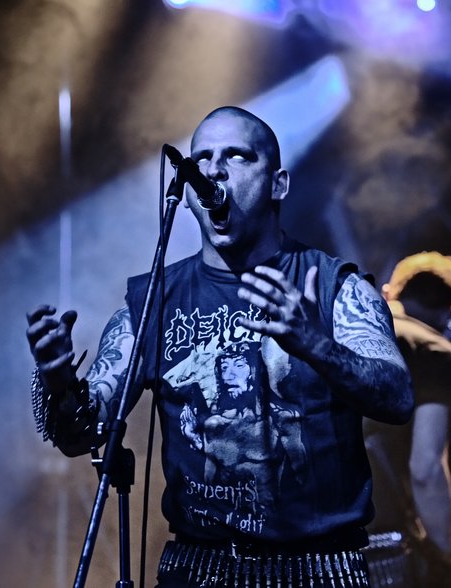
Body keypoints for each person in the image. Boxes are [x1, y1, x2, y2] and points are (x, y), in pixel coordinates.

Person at [26, 106, 414, 587]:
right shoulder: (152, 301)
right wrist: (59, 382)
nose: (214, 171)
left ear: (278, 184)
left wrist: (317, 345)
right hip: (199, 569)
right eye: (202, 159)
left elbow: (398, 398)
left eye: (237, 156)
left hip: (319, 570)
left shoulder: (336, 288)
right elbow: (81, 436)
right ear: (188, 195)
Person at [363, 251, 451, 587]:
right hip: (377, 547)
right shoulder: (434, 352)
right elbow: (425, 468)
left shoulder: (335, 334)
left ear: (390, 293)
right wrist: (442, 559)